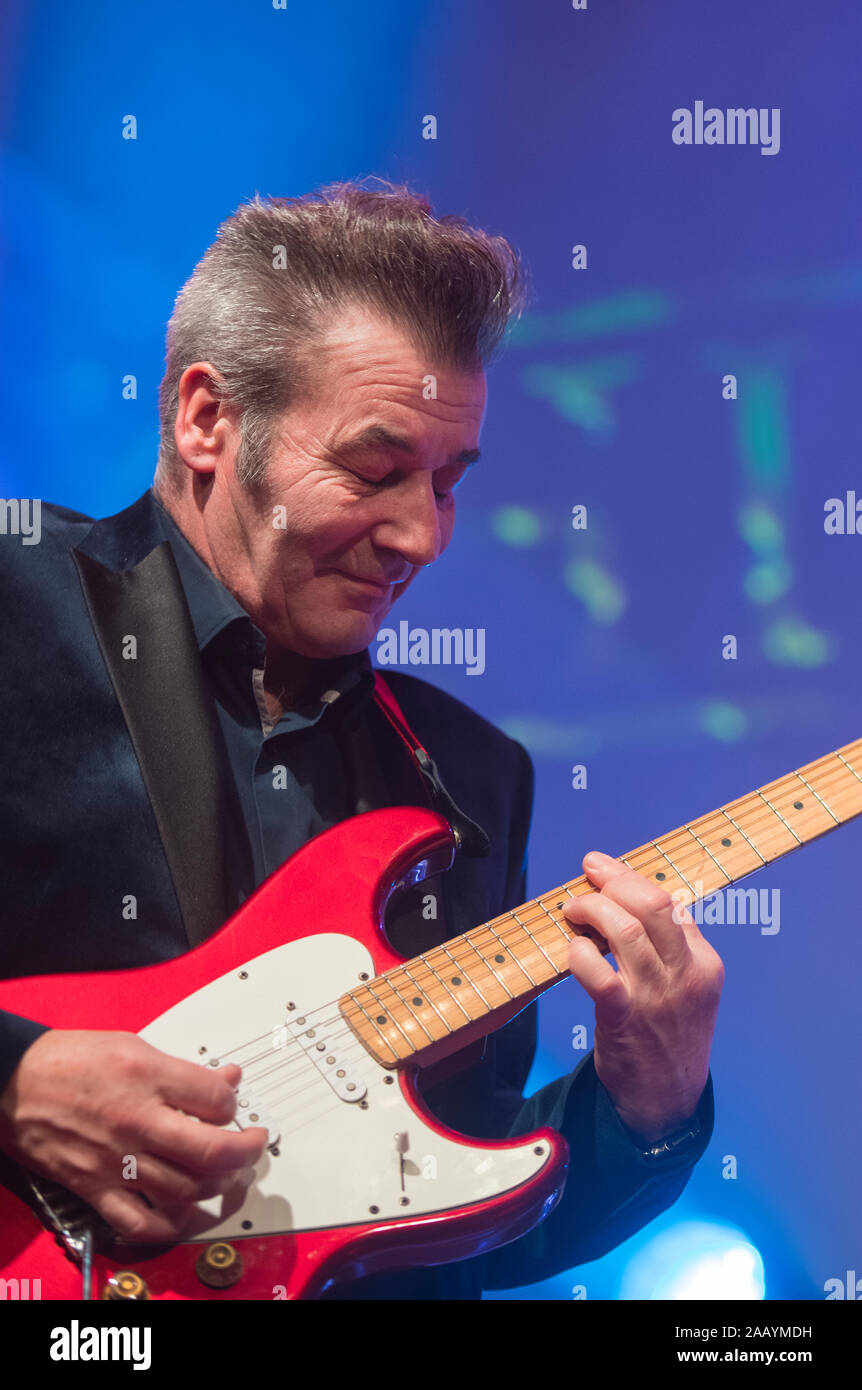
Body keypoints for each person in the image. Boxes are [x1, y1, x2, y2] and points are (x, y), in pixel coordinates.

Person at [0, 182, 723, 1300]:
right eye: (375, 470)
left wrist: (650, 1108)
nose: (420, 534)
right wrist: (16, 1079)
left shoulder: (474, 774)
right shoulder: (18, 606)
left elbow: (460, 1217)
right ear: (206, 418)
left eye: (446, 483)